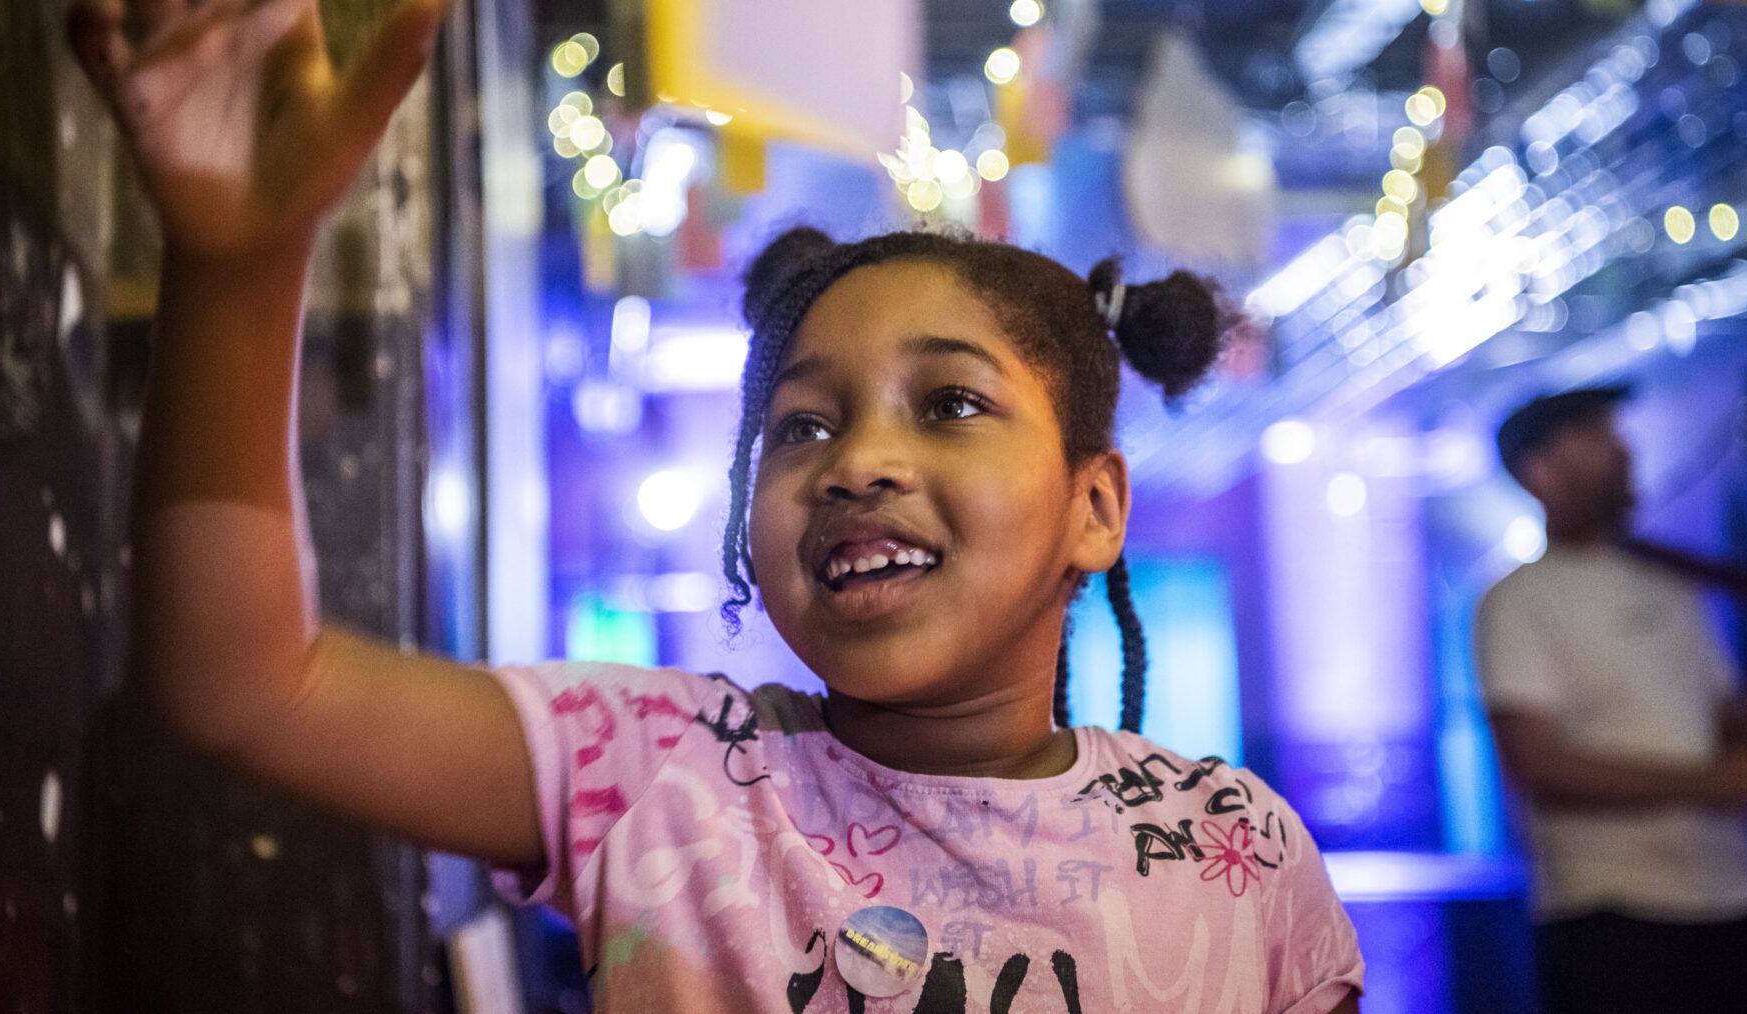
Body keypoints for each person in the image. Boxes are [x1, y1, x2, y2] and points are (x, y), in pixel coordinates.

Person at [66, 0, 1365, 1011]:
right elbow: (243, 681)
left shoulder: (1234, 847)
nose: (855, 460)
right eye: (801, 423)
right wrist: (240, 265)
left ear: (1095, 508)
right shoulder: (664, 776)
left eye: (950, 404)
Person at [1476, 386, 1747, 1014]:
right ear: (1539, 471)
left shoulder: (1672, 583)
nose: (1622, 451)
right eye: (1595, 437)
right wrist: (1719, 782)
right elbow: (1539, 767)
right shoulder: (1518, 600)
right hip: (1613, 919)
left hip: (1737, 898)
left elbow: (1712, 724)